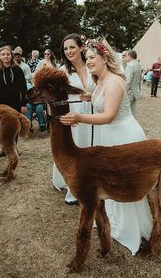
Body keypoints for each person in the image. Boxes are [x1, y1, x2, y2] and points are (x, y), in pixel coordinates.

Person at [60, 38, 153, 255]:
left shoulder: (113, 82)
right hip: (109, 136)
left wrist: (79, 117)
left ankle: (131, 226)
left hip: (123, 135)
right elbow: (101, 100)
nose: (89, 61)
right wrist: (90, 96)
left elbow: (109, 115)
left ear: (105, 58)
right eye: (88, 58)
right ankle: (112, 218)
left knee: (124, 180)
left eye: (93, 58)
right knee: (109, 180)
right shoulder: (100, 80)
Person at [53, 33, 96, 205]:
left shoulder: (92, 64)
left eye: (72, 47)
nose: (69, 51)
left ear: (81, 47)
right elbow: (54, 95)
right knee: (76, 150)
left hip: (95, 112)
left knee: (93, 148)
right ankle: (74, 189)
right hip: (74, 113)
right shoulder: (62, 72)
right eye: (65, 49)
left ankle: (93, 183)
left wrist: (92, 95)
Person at [0, 45, 27, 158]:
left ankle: (14, 148)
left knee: (13, 125)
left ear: (11, 56)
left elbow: (23, 87)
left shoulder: (17, 70)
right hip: (2, 101)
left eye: (8, 54)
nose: (6, 56)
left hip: (15, 101)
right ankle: (4, 149)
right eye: (3, 54)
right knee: (3, 126)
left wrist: (24, 104)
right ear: (0, 57)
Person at [124, 50, 142, 116]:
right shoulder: (138, 65)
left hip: (130, 92)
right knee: (132, 110)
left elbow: (128, 81)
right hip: (135, 91)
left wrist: (124, 91)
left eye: (127, 56)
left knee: (126, 111)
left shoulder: (130, 66)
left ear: (129, 56)